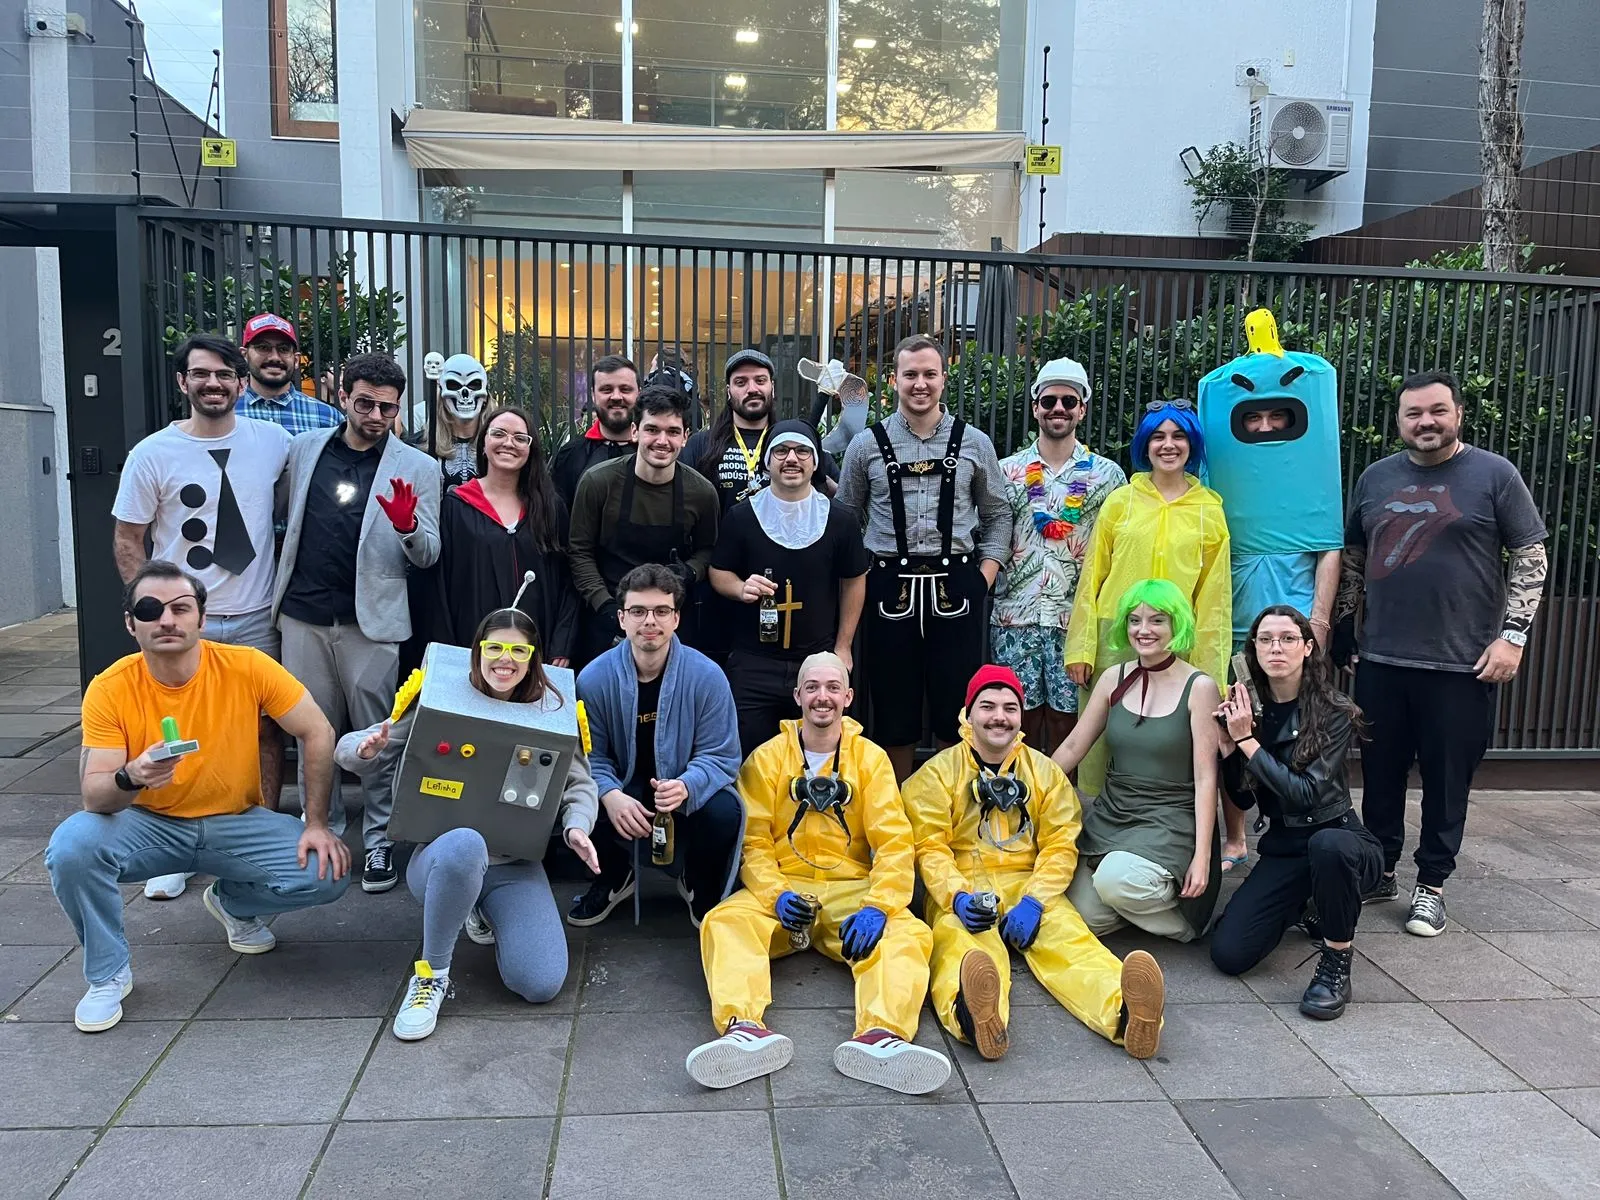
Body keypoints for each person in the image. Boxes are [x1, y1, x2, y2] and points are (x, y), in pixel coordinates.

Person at [45, 560, 350, 1033]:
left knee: (327, 871)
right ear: (130, 624)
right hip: (149, 825)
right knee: (72, 847)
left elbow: (318, 730)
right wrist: (132, 775)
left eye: (181, 608)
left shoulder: (246, 666)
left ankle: (233, 904)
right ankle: (108, 974)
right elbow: (95, 797)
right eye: (150, 610)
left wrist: (315, 823)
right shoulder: (110, 687)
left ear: (202, 618)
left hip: (235, 820)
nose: (166, 619)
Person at [1334, 369, 1547, 937]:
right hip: (1382, 659)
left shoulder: (1494, 475)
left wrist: (1513, 635)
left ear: (1458, 415)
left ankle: (1431, 885)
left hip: (1462, 663)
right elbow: (1353, 556)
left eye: (1437, 411)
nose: (1425, 422)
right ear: (1399, 421)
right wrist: (1344, 628)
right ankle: (1380, 869)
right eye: (1414, 413)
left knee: (1447, 781)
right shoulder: (1376, 477)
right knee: (1379, 774)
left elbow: (1531, 555)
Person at [687, 653, 951, 1094]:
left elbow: (894, 842)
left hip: (852, 888)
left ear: (848, 697)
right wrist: (774, 895)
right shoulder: (766, 759)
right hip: (786, 889)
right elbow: (754, 842)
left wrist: (880, 906)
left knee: (908, 935)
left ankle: (881, 1035)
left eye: (832, 687)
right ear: (797, 696)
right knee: (724, 921)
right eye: (812, 687)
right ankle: (744, 1029)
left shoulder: (871, 760)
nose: (822, 697)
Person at [337, 608, 601, 1041]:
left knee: (540, 983)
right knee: (465, 844)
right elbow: (352, 748)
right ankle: (431, 975)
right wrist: (366, 749)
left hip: (513, 863)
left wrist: (577, 826)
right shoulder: (440, 695)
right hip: (443, 857)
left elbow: (580, 784)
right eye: (495, 647)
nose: (505, 659)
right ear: (477, 652)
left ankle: (478, 908)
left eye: (518, 651)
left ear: (533, 658)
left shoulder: (553, 711)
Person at [903, 665, 1166, 1062]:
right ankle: (973, 1018)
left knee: (1070, 941)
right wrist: (955, 897)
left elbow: (1061, 844)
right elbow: (930, 846)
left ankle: (1127, 1013)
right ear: (968, 713)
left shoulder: (1045, 772)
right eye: (988, 706)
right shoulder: (937, 774)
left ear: (1021, 716)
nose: (999, 717)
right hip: (964, 888)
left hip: (1029, 883)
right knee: (961, 947)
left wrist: (1037, 900)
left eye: (1010, 708)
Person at [112, 333, 293, 900]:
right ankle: (173, 848)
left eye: (223, 374)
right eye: (200, 374)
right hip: (186, 623)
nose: (212, 383)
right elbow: (128, 538)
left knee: (264, 732)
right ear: (182, 382)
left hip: (257, 616)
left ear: (241, 382)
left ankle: (255, 838)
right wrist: (150, 611)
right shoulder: (152, 454)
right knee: (176, 733)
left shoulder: (275, 443)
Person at [274, 353, 442, 894]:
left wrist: (409, 526)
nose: (375, 416)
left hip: (371, 623)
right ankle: (320, 828)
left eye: (387, 408)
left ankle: (379, 840)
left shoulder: (419, 467)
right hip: (302, 615)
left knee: (378, 739)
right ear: (342, 396)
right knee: (312, 732)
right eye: (365, 403)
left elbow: (429, 554)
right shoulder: (305, 449)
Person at [1198, 309, 1344, 873]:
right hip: (1236, 629)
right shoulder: (1222, 482)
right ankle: (1236, 837)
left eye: (1275, 416)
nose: (1263, 426)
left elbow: (1329, 548)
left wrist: (1318, 624)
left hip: (1293, 633)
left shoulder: (1309, 482)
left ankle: (1302, 829)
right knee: (1232, 729)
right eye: (1252, 417)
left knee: (1301, 733)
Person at [836, 335, 1012, 780]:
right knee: (892, 711)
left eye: (929, 374)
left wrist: (984, 576)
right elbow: (845, 519)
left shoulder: (974, 443)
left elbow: (997, 514)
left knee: (958, 711)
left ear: (943, 379)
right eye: (910, 374)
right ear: (893, 380)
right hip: (886, 588)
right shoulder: (866, 445)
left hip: (958, 587)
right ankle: (894, 807)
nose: (920, 384)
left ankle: (949, 805)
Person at [1209, 606, 1384, 1020]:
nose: (1276, 648)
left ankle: (1336, 962)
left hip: (1342, 843)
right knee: (1229, 954)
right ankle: (1308, 902)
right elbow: (1244, 801)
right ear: (1254, 649)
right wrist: (1228, 750)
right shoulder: (1251, 710)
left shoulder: (1335, 710)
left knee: (1328, 847)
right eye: (1266, 639)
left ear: (1307, 648)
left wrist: (1247, 742)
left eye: (1288, 638)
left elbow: (1305, 795)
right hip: (1286, 850)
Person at [1062, 400, 1230, 798]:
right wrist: (1081, 647)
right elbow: (1092, 576)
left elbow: (1216, 598)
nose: (1168, 445)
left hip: (1177, 643)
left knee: (1167, 741)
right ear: (1145, 445)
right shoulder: (1121, 501)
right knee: (1102, 738)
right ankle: (1098, 815)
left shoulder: (1209, 510)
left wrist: (1212, 674)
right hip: (1115, 637)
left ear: (1192, 444)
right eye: (1158, 437)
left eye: (1178, 436)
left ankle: (1160, 817)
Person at [570, 564, 743, 928]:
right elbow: (588, 757)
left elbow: (721, 755)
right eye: (638, 611)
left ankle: (697, 879)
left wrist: (687, 785)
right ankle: (614, 875)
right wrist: (609, 794)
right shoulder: (594, 679)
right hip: (625, 786)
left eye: (661, 611)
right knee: (575, 797)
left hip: (681, 787)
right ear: (621, 618)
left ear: (676, 618)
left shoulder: (707, 677)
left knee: (725, 811)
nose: (650, 621)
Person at [1054, 579, 1222, 943]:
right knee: (1081, 914)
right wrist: (1027, 784)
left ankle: (1183, 924)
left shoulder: (1200, 687)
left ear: (1176, 624)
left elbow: (1206, 778)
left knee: (1115, 880)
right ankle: (1135, 901)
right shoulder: (1113, 678)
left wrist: (1203, 857)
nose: (1144, 629)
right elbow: (1072, 747)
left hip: (1169, 819)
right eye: (1135, 620)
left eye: (1157, 620)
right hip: (1113, 814)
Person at [992, 356, 1127, 755]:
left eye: (1069, 401)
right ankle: (1020, 790)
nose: (1058, 409)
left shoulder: (1108, 476)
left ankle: (1063, 795)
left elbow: (1116, 549)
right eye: (1049, 401)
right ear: (1035, 407)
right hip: (1014, 618)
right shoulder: (1006, 471)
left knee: (1071, 720)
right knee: (1017, 719)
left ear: (1082, 409)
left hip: (1076, 620)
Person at [709, 421, 869, 756]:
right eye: (781, 451)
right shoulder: (741, 517)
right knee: (750, 757)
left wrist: (843, 646)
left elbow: (854, 580)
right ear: (767, 461)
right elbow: (718, 571)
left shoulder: (840, 520)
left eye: (802, 451)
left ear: (816, 462)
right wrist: (740, 587)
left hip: (817, 660)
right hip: (754, 662)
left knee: (818, 756)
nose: (791, 459)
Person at [569, 385, 719, 662]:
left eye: (672, 432)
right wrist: (606, 606)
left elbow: (708, 551)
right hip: (606, 620)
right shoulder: (599, 482)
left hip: (671, 622)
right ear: (635, 431)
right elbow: (579, 551)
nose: (662, 440)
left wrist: (688, 571)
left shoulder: (701, 492)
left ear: (685, 437)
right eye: (652, 429)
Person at [430, 406, 578, 666]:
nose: (509, 443)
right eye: (499, 434)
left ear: (530, 449)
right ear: (483, 444)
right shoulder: (457, 506)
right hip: (472, 646)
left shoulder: (550, 508)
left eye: (520, 438)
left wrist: (561, 645)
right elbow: (440, 586)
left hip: (537, 648)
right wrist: (448, 651)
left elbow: (568, 580)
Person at [686, 349, 840, 512]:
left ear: (772, 387)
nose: (752, 389)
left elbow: (843, 500)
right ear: (729, 391)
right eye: (741, 382)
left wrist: (824, 486)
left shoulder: (798, 444)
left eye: (760, 381)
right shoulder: (700, 445)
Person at [550, 354, 639, 510]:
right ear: (593, 395)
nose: (616, 397)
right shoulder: (570, 455)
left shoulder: (659, 452)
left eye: (625, 389)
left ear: (639, 393)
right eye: (606, 390)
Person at [235, 313, 342, 434]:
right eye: (263, 348)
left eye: (283, 349)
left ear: (296, 360)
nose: (274, 357)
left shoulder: (328, 418)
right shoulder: (226, 413)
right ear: (245, 355)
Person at [431, 353, 491, 488]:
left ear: (486, 395)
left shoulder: (499, 445)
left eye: (474, 385)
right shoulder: (421, 447)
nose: (465, 394)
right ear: (442, 395)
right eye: (453, 385)